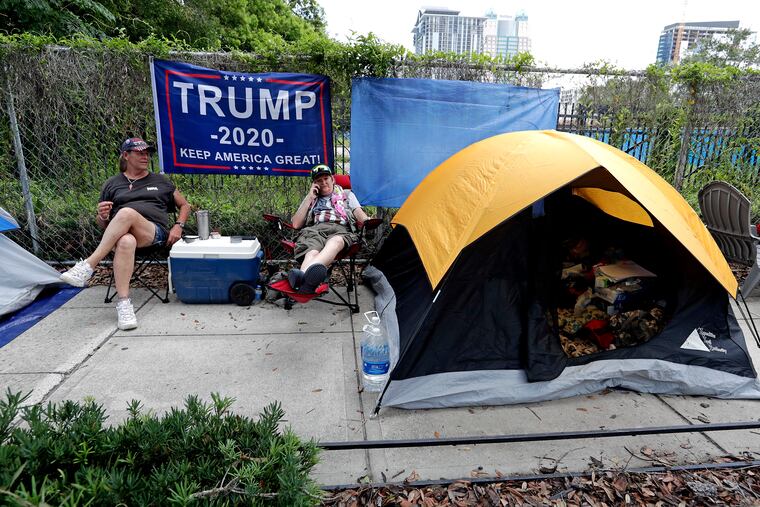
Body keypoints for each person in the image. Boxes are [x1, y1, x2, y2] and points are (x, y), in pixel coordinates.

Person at [60, 137, 191, 330]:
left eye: (147, 153)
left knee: (126, 212)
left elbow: (185, 205)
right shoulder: (112, 184)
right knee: (125, 241)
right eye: (139, 153)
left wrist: (178, 225)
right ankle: (124, 305)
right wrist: (102, 216)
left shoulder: (161, 181)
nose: (145, 156)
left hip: (153, 234)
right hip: (122, 236)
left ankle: (89, 265)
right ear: (126, 155)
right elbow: (104, 225)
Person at [288, 164, 370, 294]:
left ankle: (301, 279)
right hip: (315, 231)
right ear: (314, 184)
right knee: (311, 253)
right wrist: (309, 198)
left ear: (333, 179)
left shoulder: (347, 194)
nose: (323, 182)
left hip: (340, 229)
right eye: (318, 181)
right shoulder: (311, 198)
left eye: (326, 178)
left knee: (336, 242)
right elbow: (296, 224)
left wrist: (367, 221)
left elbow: (359, 213)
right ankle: (308, 281)